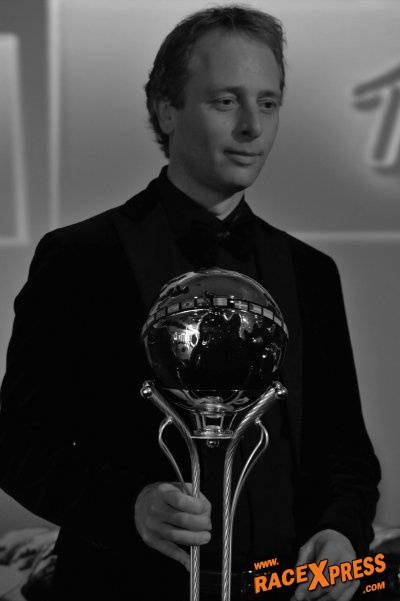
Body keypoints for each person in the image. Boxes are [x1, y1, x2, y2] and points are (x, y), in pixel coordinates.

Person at [0, 5, 381, 601]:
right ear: (166, 109)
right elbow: (19, 445)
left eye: (269, 103)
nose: (253, 127)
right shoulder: (79, 258)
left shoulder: (312, 273)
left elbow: (346, 454)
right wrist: (128, 505)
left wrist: (342, 531)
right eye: (226, 101)